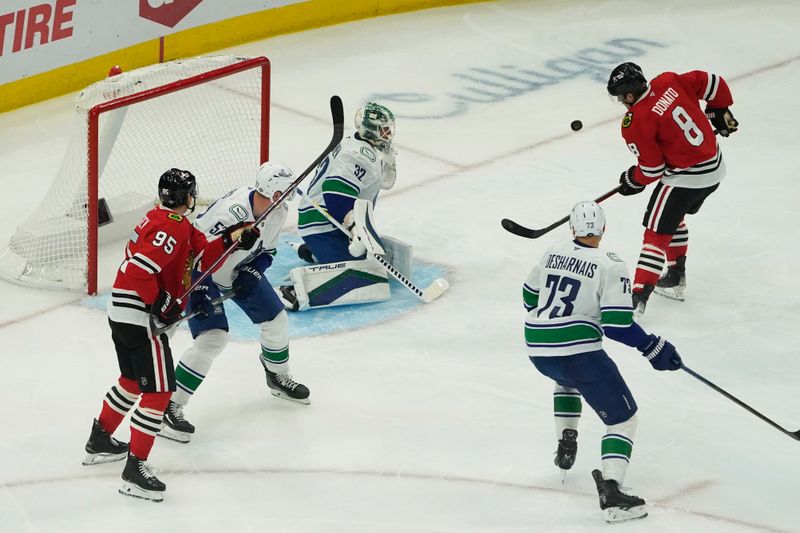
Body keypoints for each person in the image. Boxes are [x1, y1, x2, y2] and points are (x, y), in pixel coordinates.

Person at [82, 168, 258, 502]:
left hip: (121, 312)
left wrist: (235, 237)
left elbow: (202, 251)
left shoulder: (164, 220)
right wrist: (161, 302)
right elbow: (139, 271)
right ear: (186, 197)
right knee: (160, 392)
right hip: (139, 317)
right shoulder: (171, 227)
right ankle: (135, 471)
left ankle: (100, 439)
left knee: (133, 381)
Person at [523, 201, 682, 524]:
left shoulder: (553, 250)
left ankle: (565, 439)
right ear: (604, 229)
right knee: (622, 419)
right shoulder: (610, 265)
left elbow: (528, 297)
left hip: (538, 347)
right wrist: (653, 347)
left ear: (572, 229)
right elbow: (617, 325)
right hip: (577, 352)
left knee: (566, 379)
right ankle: (612, 492)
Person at [160, 162, 310, 444]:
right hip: (199, 273)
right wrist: (200, 288)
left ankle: (277, 376)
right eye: (285, 190)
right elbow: (194, 251)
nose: (290, 194)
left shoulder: (278, 210)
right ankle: (170, 406)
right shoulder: (232, 212)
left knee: (276, 320)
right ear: (273, 192)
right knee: (213, 339)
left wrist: (254, 271)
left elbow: (268, 252)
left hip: (237, 270)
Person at [606, 62, 738, 315]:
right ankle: (676, 274)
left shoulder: (634, 122)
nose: (622, 102)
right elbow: (714, 83)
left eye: (622, 97)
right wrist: (719, 111)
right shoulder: (668, 80)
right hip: (715, 168)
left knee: (656, 230)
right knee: (672, 216)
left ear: (630, 94)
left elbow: (653, 169)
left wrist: (633, 179)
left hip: (687, 177)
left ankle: (637, 296)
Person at [281, 102, 410, 311]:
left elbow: (384, 181)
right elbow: (335, 195)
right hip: (324, 224)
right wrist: (354, 229)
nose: (388, 134)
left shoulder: (361, 144)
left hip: (333, 221)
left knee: (372, 260)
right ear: (370, 129)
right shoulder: (357, 155)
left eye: (389, 128)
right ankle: (295, 291)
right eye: (383, 129)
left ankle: (314, 252)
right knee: (367, 274)